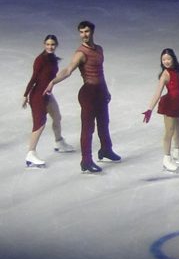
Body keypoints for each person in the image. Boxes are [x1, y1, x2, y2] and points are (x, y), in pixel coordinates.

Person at [44, 20, 118, 173]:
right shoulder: (81, 53)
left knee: (104, 122)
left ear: (92, 32)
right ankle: (86, 161)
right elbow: (68, 70)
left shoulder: (99, 49)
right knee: (88, 128)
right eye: (81, 32)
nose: (84, 35)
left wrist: (106, 90)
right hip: (88, 93)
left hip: (100, 92)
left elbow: (100, 73)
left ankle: (105, 150)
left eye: (87, 31)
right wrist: (53, 82)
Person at [21, 34, 75, 168]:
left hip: (47, 94)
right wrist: (25, 94)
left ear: (56, 45)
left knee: (57, 117)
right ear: (44, 45)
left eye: (52, 44)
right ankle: (31, 154)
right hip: (38, 95)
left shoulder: (53, 59)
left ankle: (59, 142)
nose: (50, 47)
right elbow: (34, 78)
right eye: (48, 44)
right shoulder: (40, 60)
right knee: (39, 124)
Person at [142, 48, 179, 173]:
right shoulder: (165, 75)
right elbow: (158, 92)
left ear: (173, 58)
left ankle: (177, 152)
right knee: (169, 131)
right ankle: (166, 159)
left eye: (168, 59)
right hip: (170, 104)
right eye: (164, 60)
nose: (166, 62)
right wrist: (149, 109)